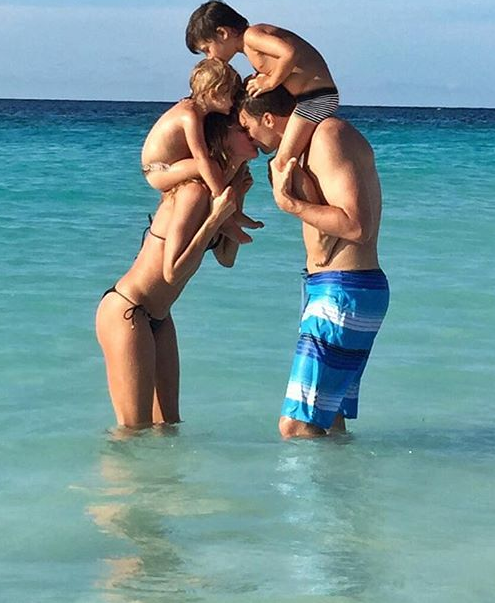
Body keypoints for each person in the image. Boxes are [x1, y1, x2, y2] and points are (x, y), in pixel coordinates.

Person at [238, 85, 390, 439]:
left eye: (247, 127)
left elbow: (357, 226)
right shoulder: (312, 145)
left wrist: (290, 204)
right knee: (328, 421)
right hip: (337, 288)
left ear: (268, 118)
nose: (248, 138)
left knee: (295, 425)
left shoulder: (328, 136)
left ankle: (305, 481)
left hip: (345, 289)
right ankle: (340, 478)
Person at [96, 112, 259, 430]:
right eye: (241, 129)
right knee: (133, 432)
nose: (250, 132)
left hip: (158, 317)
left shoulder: (214, 193)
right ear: (221, 138)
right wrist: (214, 220)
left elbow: (226, 258)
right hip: (129, 310)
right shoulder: (193, 191)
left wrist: (236, 200)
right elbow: (172, 271)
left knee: (168, 427)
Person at [185, 0, 339, 179]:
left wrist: (271, 81)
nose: (209, 57)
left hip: (317, 98)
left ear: (222, 33)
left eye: (207, 49)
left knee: (282, 162)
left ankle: (288, 196)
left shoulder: (252, 36)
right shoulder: (251, 48)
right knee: (288, 158)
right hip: (309, 98)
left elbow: (290, 53)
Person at [141, 57, 261, 243]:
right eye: (231, 96)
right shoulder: (189, 116)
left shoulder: (194, 109)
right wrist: (220, 194)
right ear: (214, 94)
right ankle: (226, 220)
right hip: (158, 171)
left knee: (217, 165)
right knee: (209, 165)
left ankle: (234, 213)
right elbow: (200, 158)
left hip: (168, 166)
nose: (233, 103)